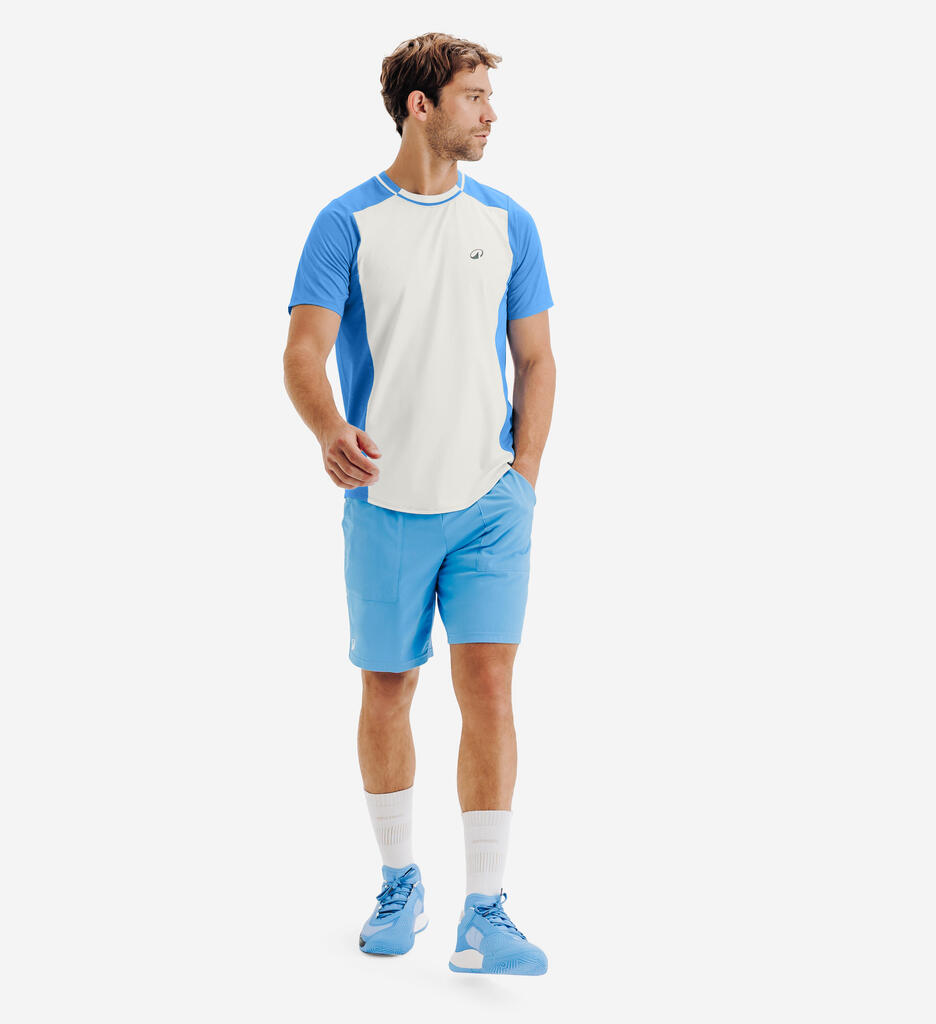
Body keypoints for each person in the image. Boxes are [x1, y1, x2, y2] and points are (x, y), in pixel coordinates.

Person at [283, 32, 556, 976]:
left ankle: (485, 910)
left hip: (489, 506)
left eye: (488, 95)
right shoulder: (346, 224)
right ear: (420, 106)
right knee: (388, 690)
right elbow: (303, 351)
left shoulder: (509, 221)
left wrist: (524, 477)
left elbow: (536, 359)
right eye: (474, 95)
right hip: (388, 503)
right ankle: (400, 880)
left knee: (490, 691)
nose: (490, 112)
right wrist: (328, 428)